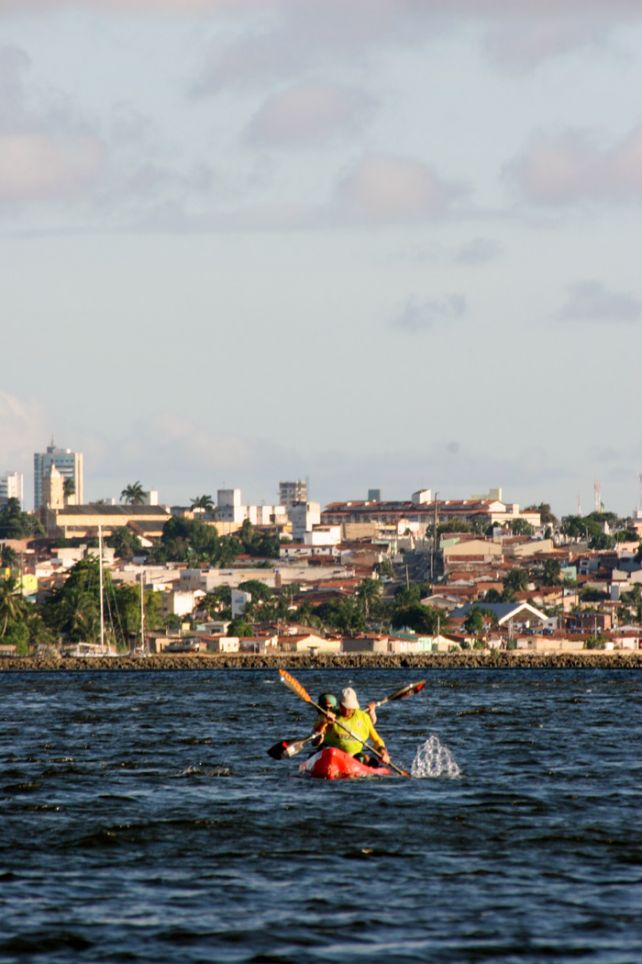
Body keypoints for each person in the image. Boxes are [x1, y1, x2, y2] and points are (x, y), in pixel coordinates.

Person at [320, 687, 391, 766]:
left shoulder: (363, 717)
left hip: (353, 758)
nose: (347, 711)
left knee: (365, 759)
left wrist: (383, 752)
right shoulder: (329, 715)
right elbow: (315, 740)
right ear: (339, 704)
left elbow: (377, 740)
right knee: (325, 750)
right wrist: (324, 722)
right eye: (344, 707)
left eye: (349, 708)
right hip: (330, 754)